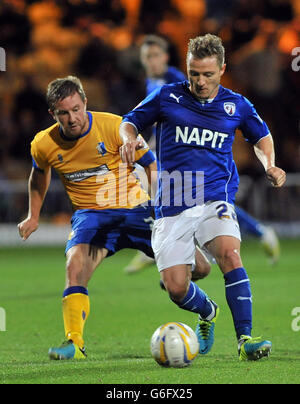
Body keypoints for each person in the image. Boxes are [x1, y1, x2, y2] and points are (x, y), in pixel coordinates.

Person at [119, 34, 286, 361]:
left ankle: (245, 340)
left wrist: (270, 164)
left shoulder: (236, 104)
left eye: (208, 74)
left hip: (215, 197)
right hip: (172, 204)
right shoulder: (167, 96)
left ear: (222, 69)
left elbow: (261, 135)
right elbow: (129, 122)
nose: (200, 81)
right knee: (176, 287)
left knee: (229, 254)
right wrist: (129, 141)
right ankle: (208, 312)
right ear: (187, 68)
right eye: (194, 73)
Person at [17, 75, 158, 360]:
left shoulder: (115, 126)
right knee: (75, 265)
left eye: (76, 109)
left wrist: (159, 207)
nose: (72, 118)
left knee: (194, 270)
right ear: (53, 114)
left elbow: (151, 164)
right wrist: (33, 216)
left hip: (136, 209)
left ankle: (207, 313)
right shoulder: (43, 144)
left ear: (85, 104)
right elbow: (39, 175)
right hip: (91, 216)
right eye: (63, 113)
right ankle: (75, 343)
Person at [124, 33, 280, 275]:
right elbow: (160, 122)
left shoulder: (176, 81)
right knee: (162, 191)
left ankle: (159, 243)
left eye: (155, 56)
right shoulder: (155, 84)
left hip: (199, 159)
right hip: (174, 157)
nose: (151, 61)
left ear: (166, 57)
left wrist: (269, 164)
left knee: (197, 198)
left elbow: (192, 120)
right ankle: (162, 242)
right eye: (147, 57)